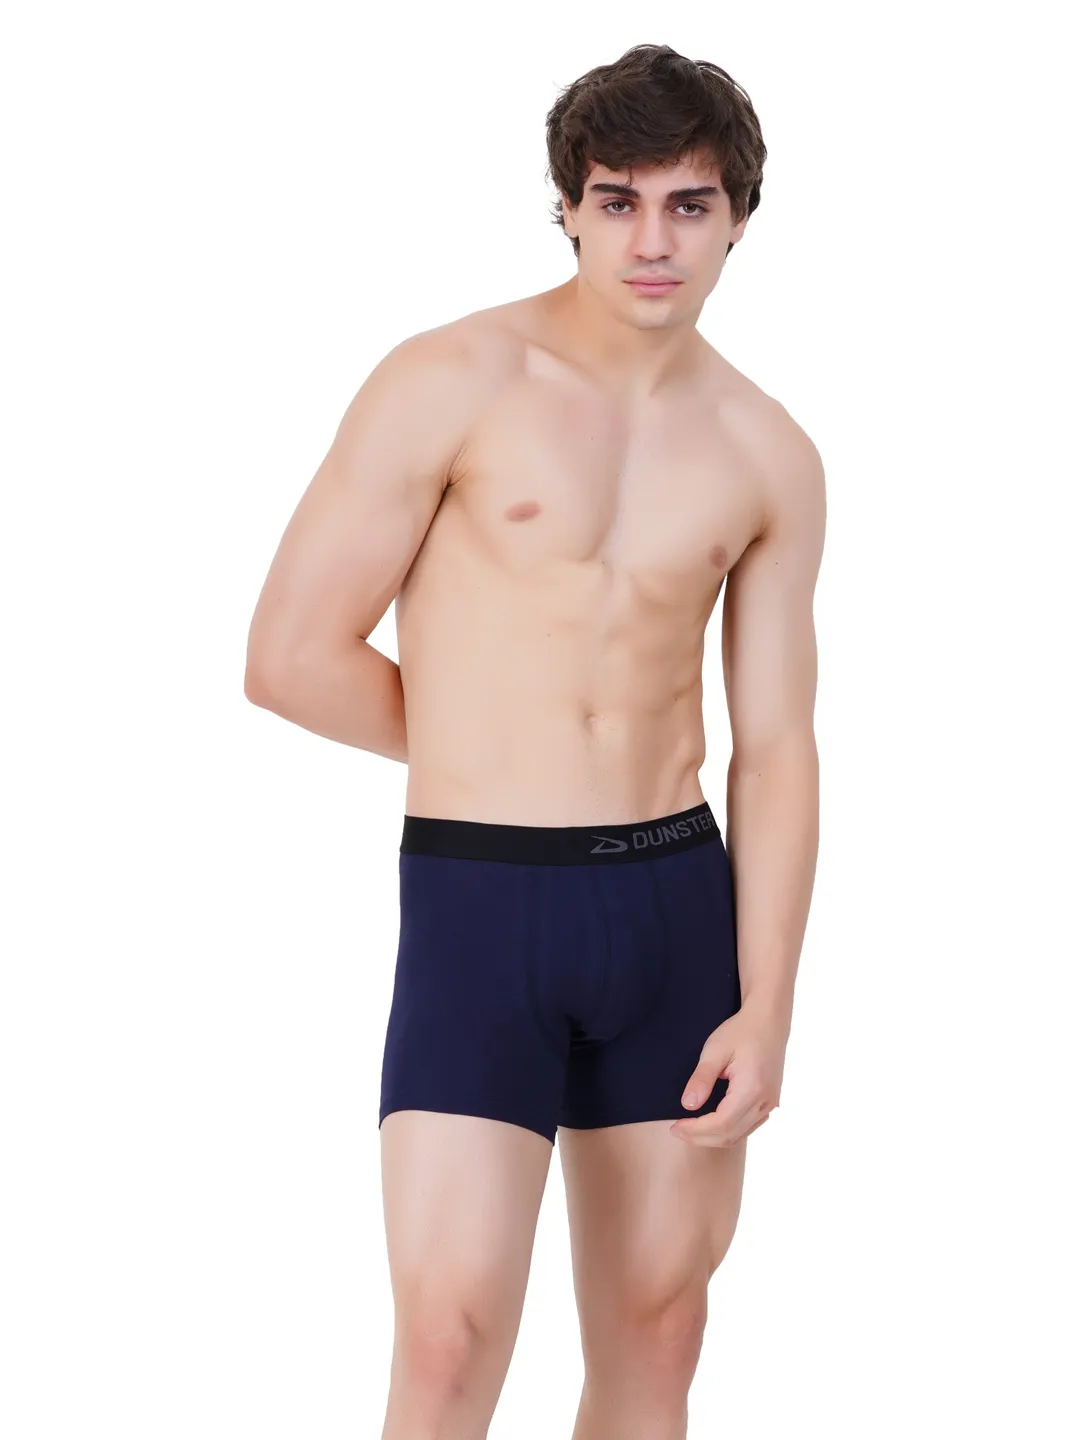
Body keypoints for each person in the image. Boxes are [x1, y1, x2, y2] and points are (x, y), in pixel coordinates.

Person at [244, 40, 825, 1440]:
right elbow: (289, 658)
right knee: (448, 1342)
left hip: (673, 905)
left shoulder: (768, 451)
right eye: (618, 200)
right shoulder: (450, 378)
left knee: (658, 1336)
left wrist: (769, 1003)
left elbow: (778, 748)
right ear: (567, 206)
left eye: (689, 205)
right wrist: (489, 751)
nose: (651, 240)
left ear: (741, 218)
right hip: (481, 900)